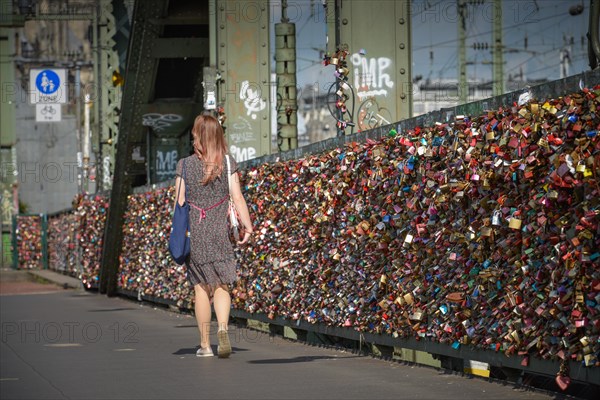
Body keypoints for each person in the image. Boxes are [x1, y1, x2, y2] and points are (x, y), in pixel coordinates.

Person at [174, 114, 253, 358]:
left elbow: (180, 201)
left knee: (200, 289)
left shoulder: (185, 165)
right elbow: (237, 197)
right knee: (221, 285)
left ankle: (205, 346)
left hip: (196, 232)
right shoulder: (227, 162)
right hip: (220, 231)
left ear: (197, 135)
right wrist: (247, 226)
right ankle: (222, 329)